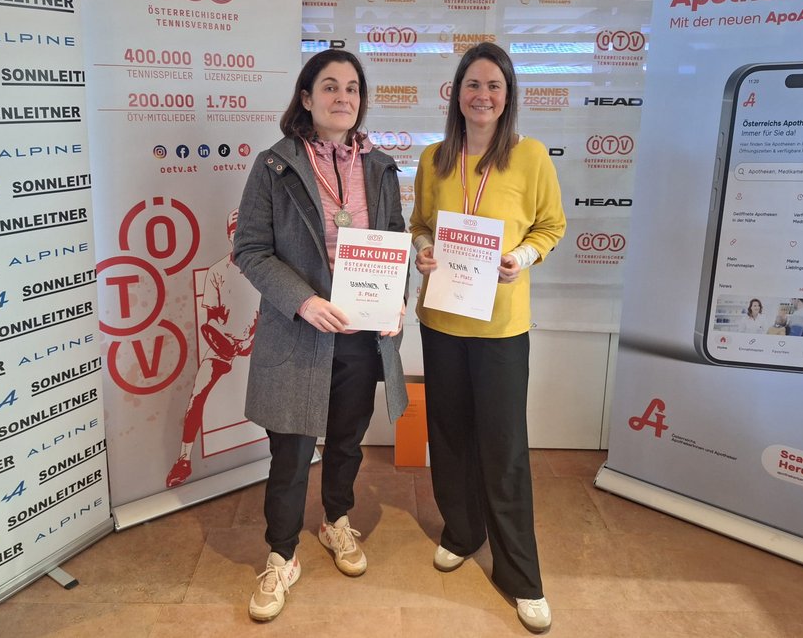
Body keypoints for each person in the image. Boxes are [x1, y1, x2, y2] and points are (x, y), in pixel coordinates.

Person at [232, 49, 408, 622]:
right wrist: (304, 301)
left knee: (348, 441)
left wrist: (397, 301)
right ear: (306, 98)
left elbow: (396, 241)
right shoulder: (275, 166)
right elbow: (250, 250)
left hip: (361, 335)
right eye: (330, 87)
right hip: (299, 332)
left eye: (352, 88)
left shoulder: (380, 167)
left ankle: (336, 521)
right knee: (290, 450)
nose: (343, 98)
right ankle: (281, 554)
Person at [409, 42, 566, 633]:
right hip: (442, 322)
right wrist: (424, 249)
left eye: (493, 86)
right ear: (457, 93)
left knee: (503, 447)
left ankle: (521, 575)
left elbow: (551, 225)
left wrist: (522, 257)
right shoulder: (434, 158)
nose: (482, 95)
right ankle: (461, 531)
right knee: (449, 436)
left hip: (501, 327)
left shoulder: (530, 156)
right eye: (472, 84)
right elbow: (420, 224)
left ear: (507, 96)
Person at [165, 209, 259, 489]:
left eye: (244, 229)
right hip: (224, 345)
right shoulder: (217, 271)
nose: (238, 235)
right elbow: (211, 320)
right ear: (229, 235)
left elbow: (273, 311)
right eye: (234, 231)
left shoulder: (266, 265)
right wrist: (226, 342)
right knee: (197, 394)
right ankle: (183, 460)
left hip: (261, 342)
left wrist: (251, 340)